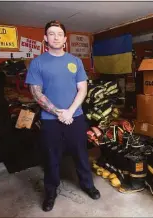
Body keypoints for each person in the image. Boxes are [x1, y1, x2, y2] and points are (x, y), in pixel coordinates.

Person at [25, 20, 100, 212]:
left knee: (81, 154)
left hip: (75, 117)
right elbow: (36, 93)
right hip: (51, 121)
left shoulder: (75, 62)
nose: (55, 37)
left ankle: (87, 185)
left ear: (64, 39)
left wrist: (69, 111)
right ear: (45, 38)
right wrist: (58, 112)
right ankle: (50, 192)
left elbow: (82, 89)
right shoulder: (37, 63)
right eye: (51, 33)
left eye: (59, 34)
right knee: (51, 157)